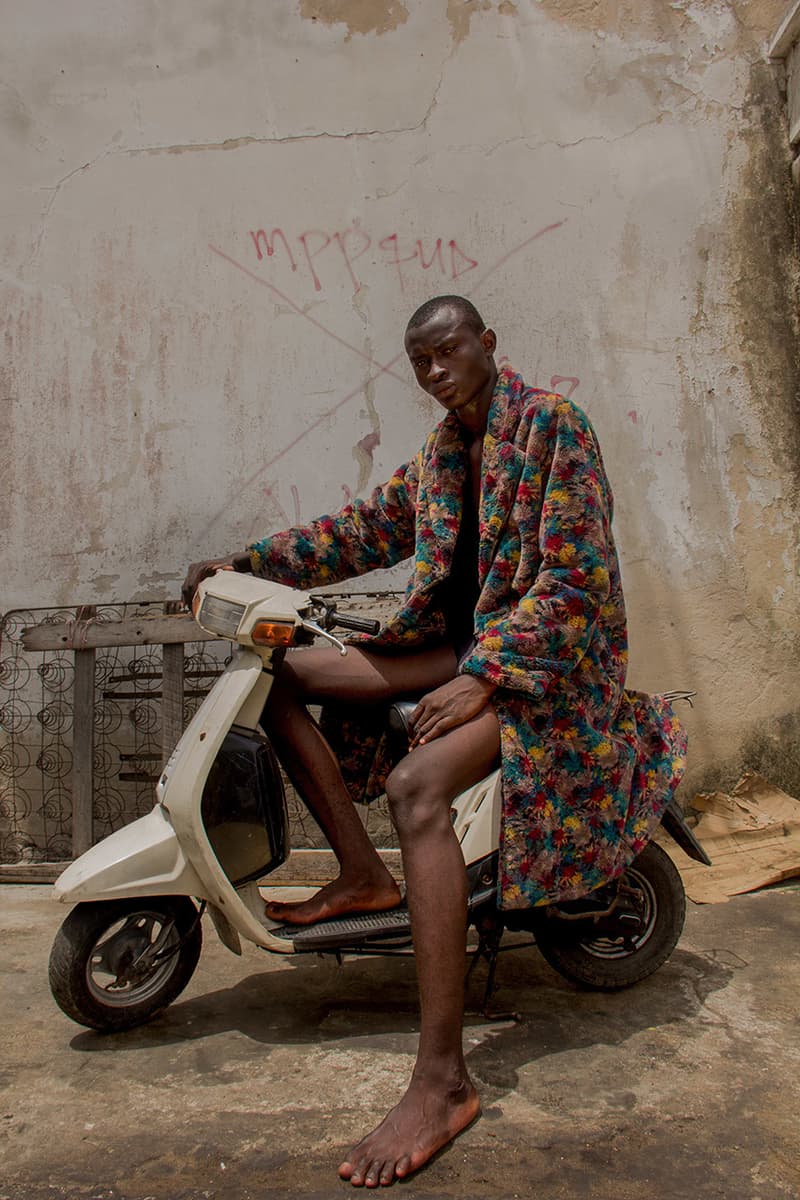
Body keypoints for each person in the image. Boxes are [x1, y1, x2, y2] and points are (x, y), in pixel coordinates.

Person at [182, 295, 686, 1188]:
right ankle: (361, 875)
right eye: (419, 362)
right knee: (285, 672)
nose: (434, 371)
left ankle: (443, 1079)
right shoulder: (446, 453)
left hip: (547, 668)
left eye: (447, 351)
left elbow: (575, 580)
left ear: (487, 343)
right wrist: (245, 561)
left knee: (419, 785)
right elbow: (363, 530)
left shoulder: (553, 429)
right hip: (464, 652)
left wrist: (486, 672)